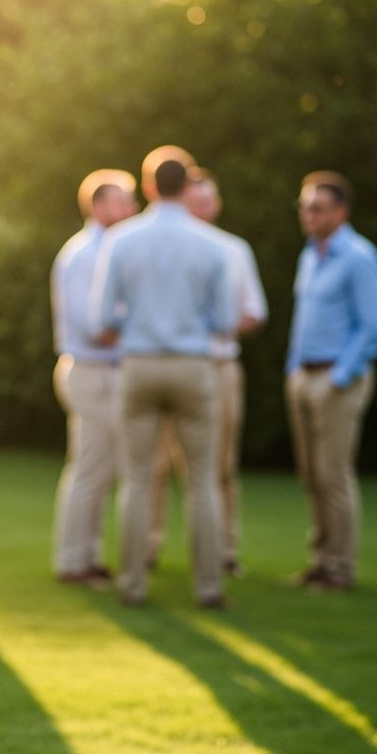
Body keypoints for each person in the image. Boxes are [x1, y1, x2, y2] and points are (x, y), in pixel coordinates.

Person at [93, 157, 234, 608]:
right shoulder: (211, 243)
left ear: (150, 186)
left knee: (135, 479)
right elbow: (228, 319)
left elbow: (100, 317)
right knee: (202, 481)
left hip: (139, 362)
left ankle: (133, 583)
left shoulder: (121, 238)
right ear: (187, 186)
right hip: (193, 364)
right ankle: (209, 587)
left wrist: (137, 326)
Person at [148, 167, 267, 577]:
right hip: (168, 364)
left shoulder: (234, 250)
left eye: (207, 201)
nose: (201, 208)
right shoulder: (156, 244)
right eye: (194, 200)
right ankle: (148, 547)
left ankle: (223, 551)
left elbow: (254, 311)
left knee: (220, 467)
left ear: (216, 205)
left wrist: (214, 327)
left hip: (217, 366)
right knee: (156, 465)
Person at [286, 171, 377, 591]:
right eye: (304, 207)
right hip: (303, 375)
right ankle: (320, 560)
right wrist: (294, 369)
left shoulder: (360, 257)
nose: (308, 215)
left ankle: (340, 568)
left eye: (317, 208)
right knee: (311, 475)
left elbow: (373, 327)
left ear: (341, 212)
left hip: (337, 379)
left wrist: (341, 376)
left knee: (334, 476)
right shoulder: (309, 255)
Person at [50, 169, 138, 589]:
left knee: (100, 467)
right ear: (99, 205)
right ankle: (74, 561)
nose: (132, 208)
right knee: (90, 465)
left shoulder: (104, 247)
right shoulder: (88, 253)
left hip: (99, 369)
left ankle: (88, 555)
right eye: (124, 200)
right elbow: (93, 325)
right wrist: (145, 327)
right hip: (92, 368)